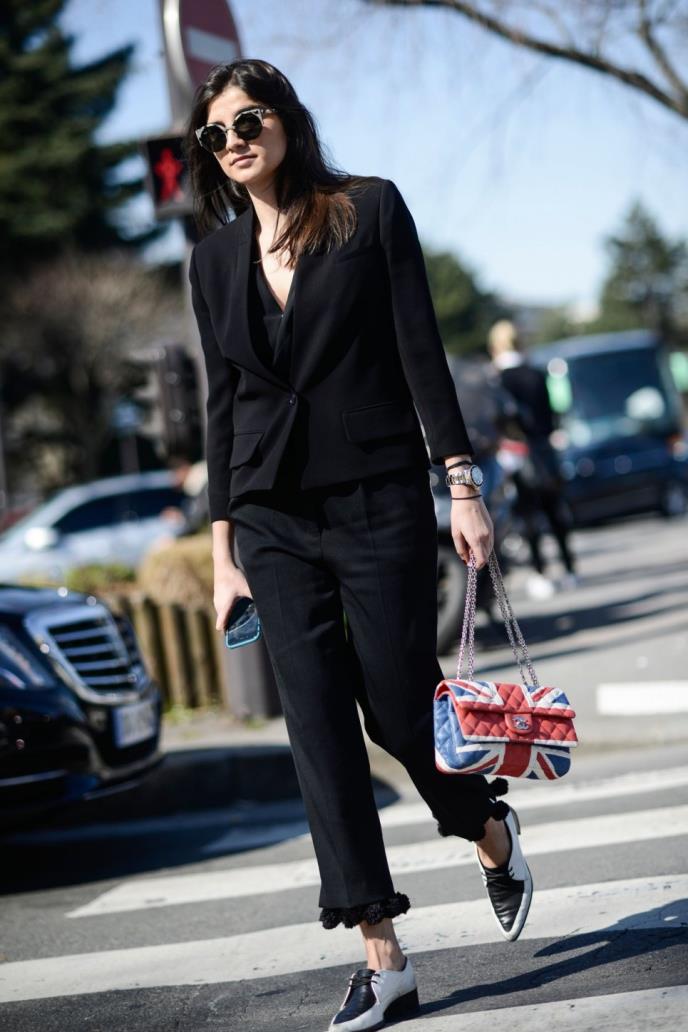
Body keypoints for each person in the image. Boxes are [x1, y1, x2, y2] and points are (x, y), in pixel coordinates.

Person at [185, 59, 533, 1030]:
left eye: (249, 119)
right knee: (318, 728)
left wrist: (460, 482)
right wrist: (221, 552)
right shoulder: (213, 261)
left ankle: (485, 824)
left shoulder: (367, 211)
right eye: (216, 133)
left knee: (400, 707)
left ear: (286, 120)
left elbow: (420, 350)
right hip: (270, 518)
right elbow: (223, 409)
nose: (235, 140)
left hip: (377, 498)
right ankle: (382, 957)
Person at [487, 320, 578, 598]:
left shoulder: (497, 380)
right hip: (545, 451)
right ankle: (570, 568)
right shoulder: (537, 373)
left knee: (528, 515)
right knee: (554, 510)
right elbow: (551, 416)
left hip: (516, 455)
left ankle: (540, 572)